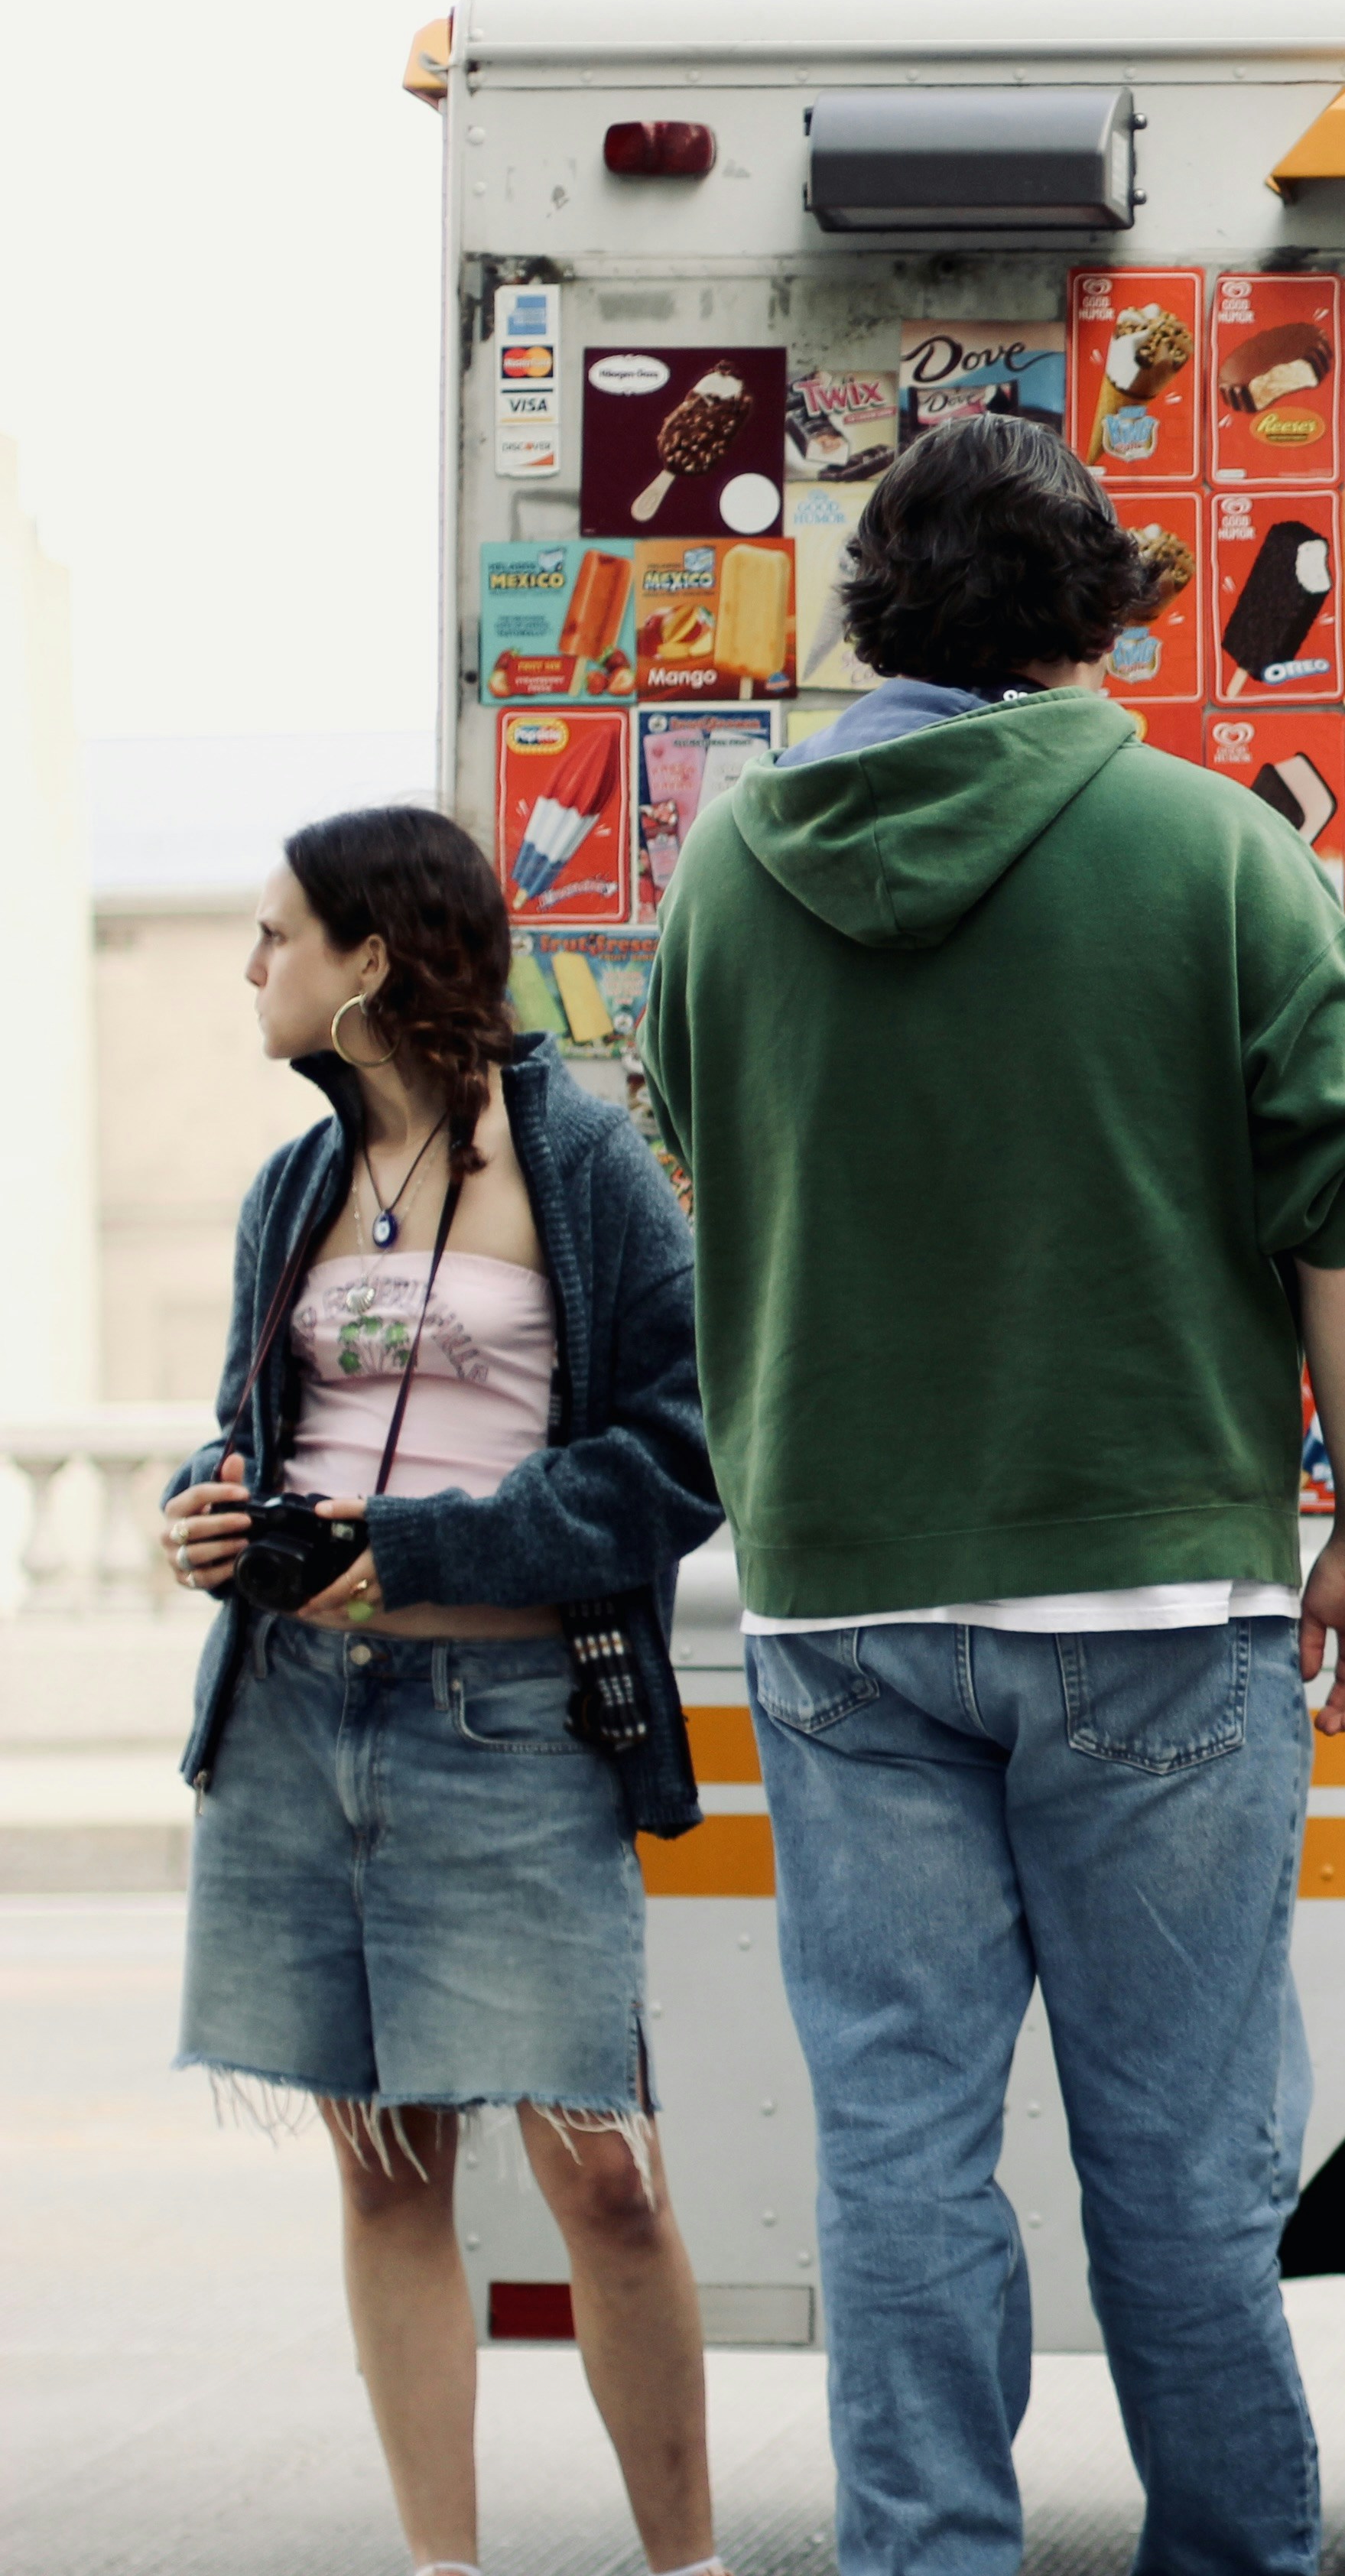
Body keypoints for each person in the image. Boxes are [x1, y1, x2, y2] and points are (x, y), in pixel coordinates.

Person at [636, 413, 1345, 2576]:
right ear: (1103, 615)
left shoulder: (728, 865)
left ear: (873, 606)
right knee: (1180, 2164)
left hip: (840, 1599)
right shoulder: (1211, 851)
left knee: (896, 2155)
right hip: (1154, 1597)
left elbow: (698, 1140)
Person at [159, 804, 730, 2576]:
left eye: (278, 934)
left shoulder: (578, 1160)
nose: (254, 966)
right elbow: (267, 1429)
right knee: (384, 2171)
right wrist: (214, 1503)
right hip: (297, 1719)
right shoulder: (294, 1184)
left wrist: (421, 1545)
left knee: (604, 2184)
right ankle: (443, 2565)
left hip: (515, 1728)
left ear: (373, 961)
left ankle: (687, 2561)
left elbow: (683, 1457)